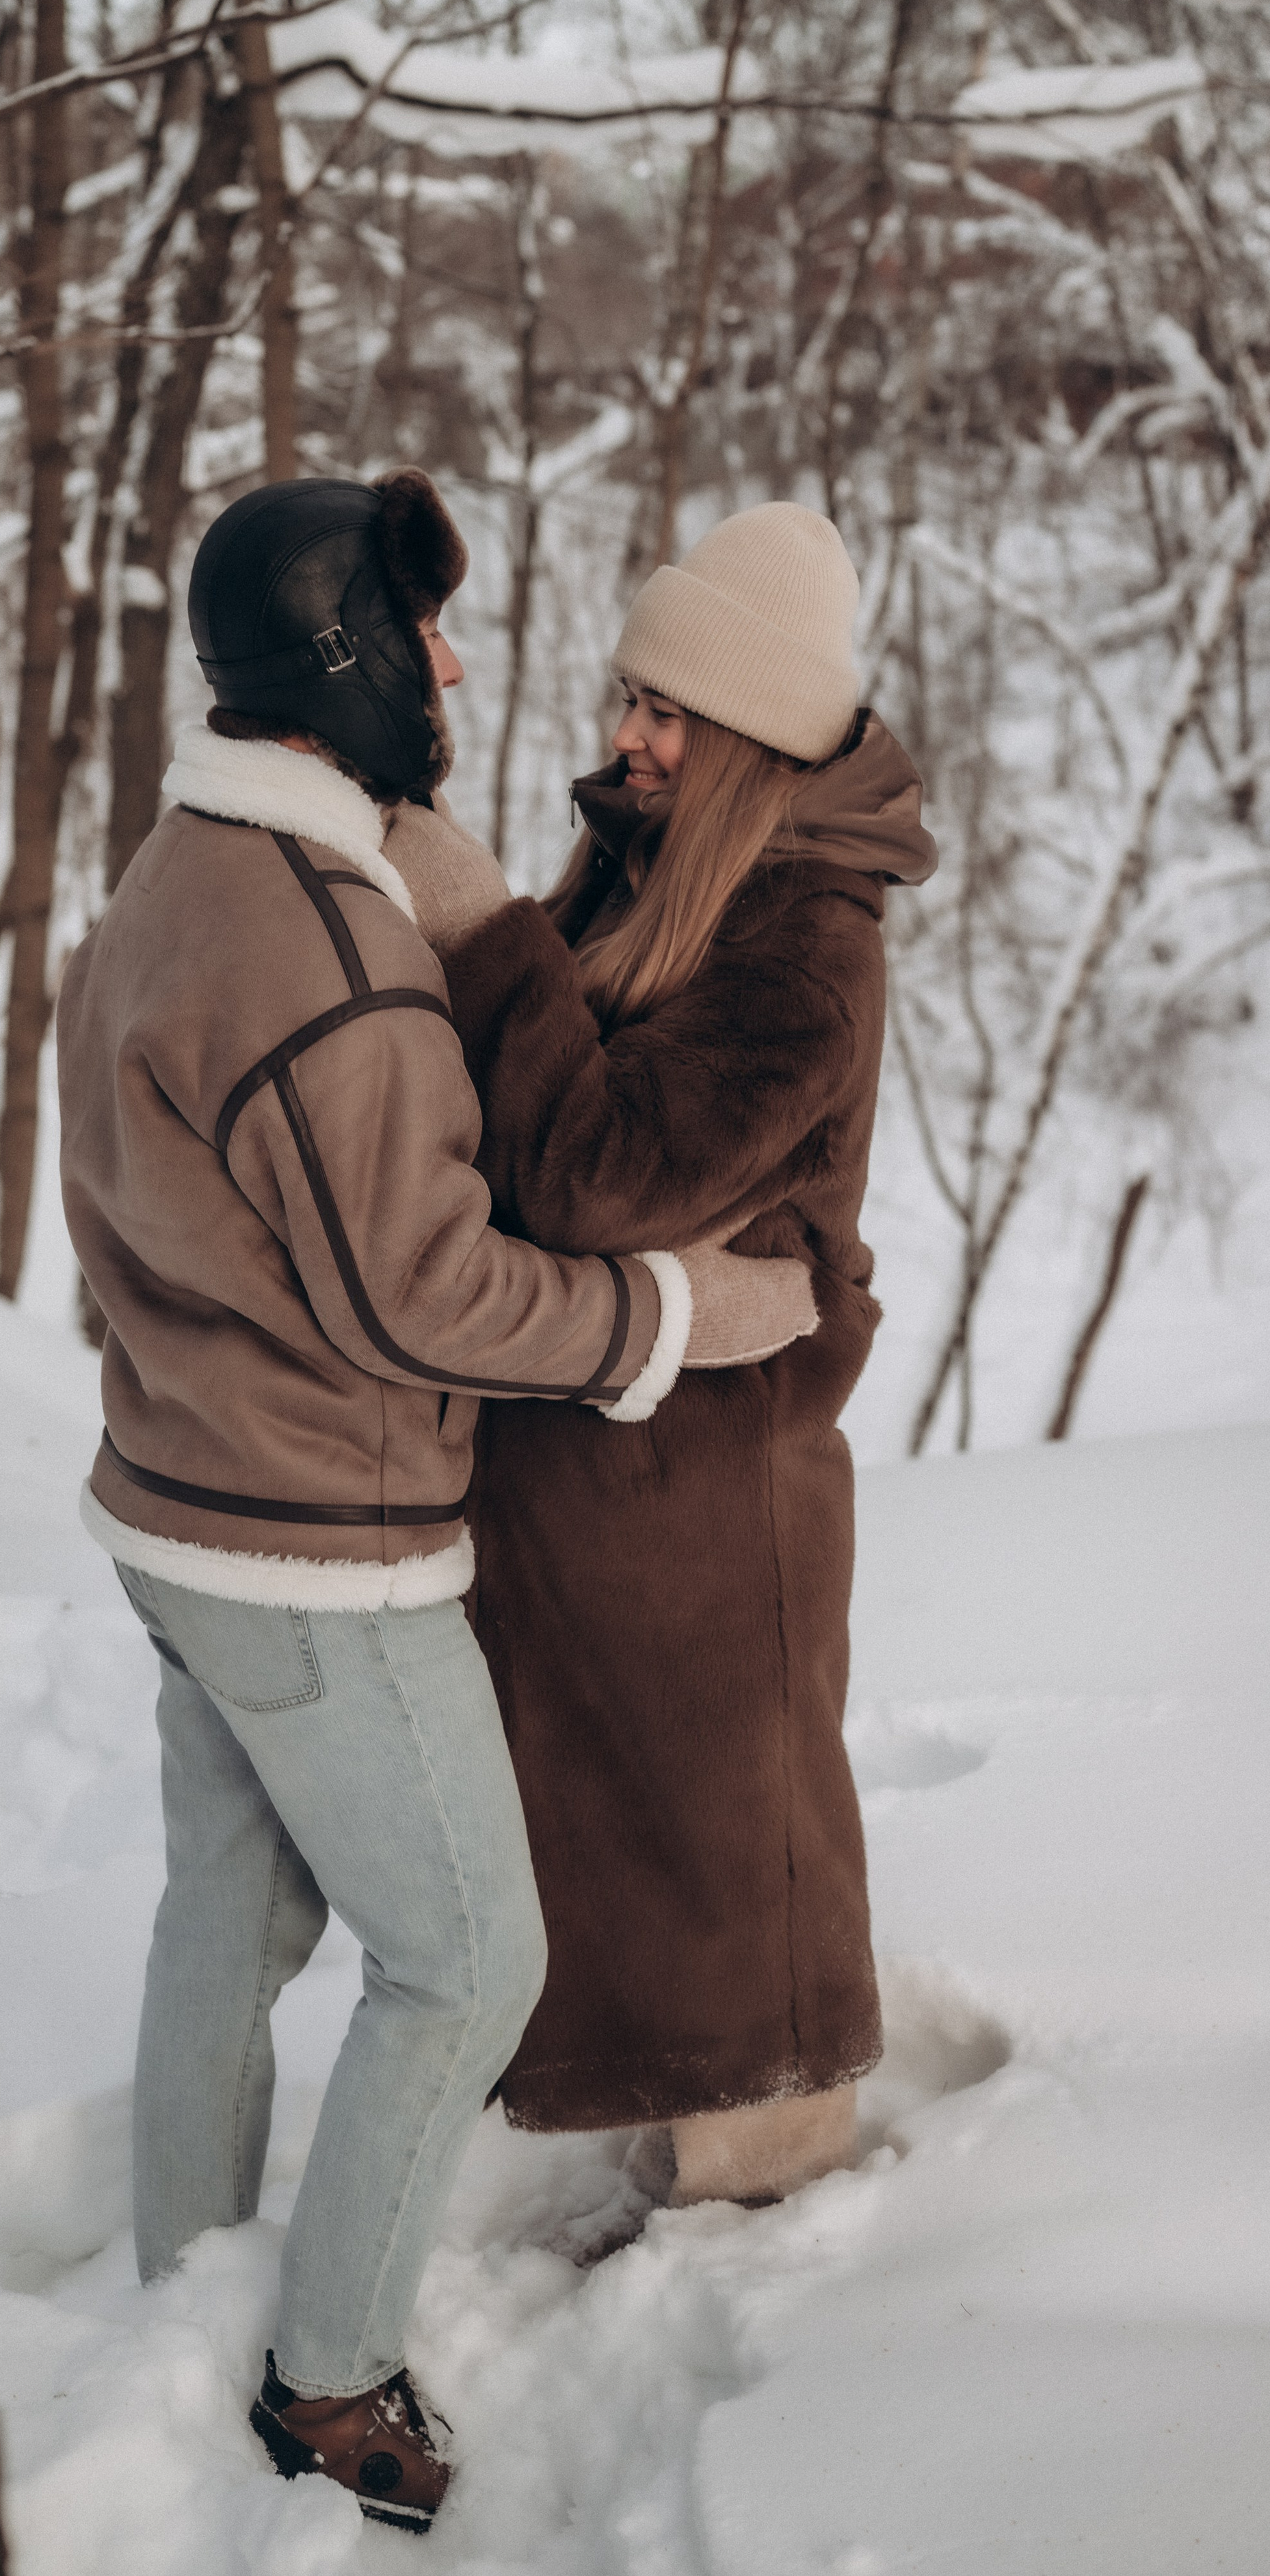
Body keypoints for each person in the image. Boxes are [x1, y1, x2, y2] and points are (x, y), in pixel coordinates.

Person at [54, 473, 816, 2530]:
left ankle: (186, 2289)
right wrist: (681, 1309)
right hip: (321, 1549)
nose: (456, 667)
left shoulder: (172, 870)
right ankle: (324, 2379)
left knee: (230, 1908)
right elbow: (432, 1291)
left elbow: (132, 1190)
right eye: (419, 633)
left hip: (173, 1505)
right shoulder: (333, 961)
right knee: (470, 1957)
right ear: (343, 666)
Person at [384, 501, 938, 2208]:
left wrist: (481, 934)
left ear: (752, 735)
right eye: (630, 696)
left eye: (666, 711)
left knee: (732, 1870)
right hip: (615, 1479)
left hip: (711, 1496)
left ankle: (773, 2213)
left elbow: (594, 1174)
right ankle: (698, 2179)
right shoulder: (648, 869)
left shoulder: (802, 948)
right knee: (642, 1857)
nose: (626, 733)